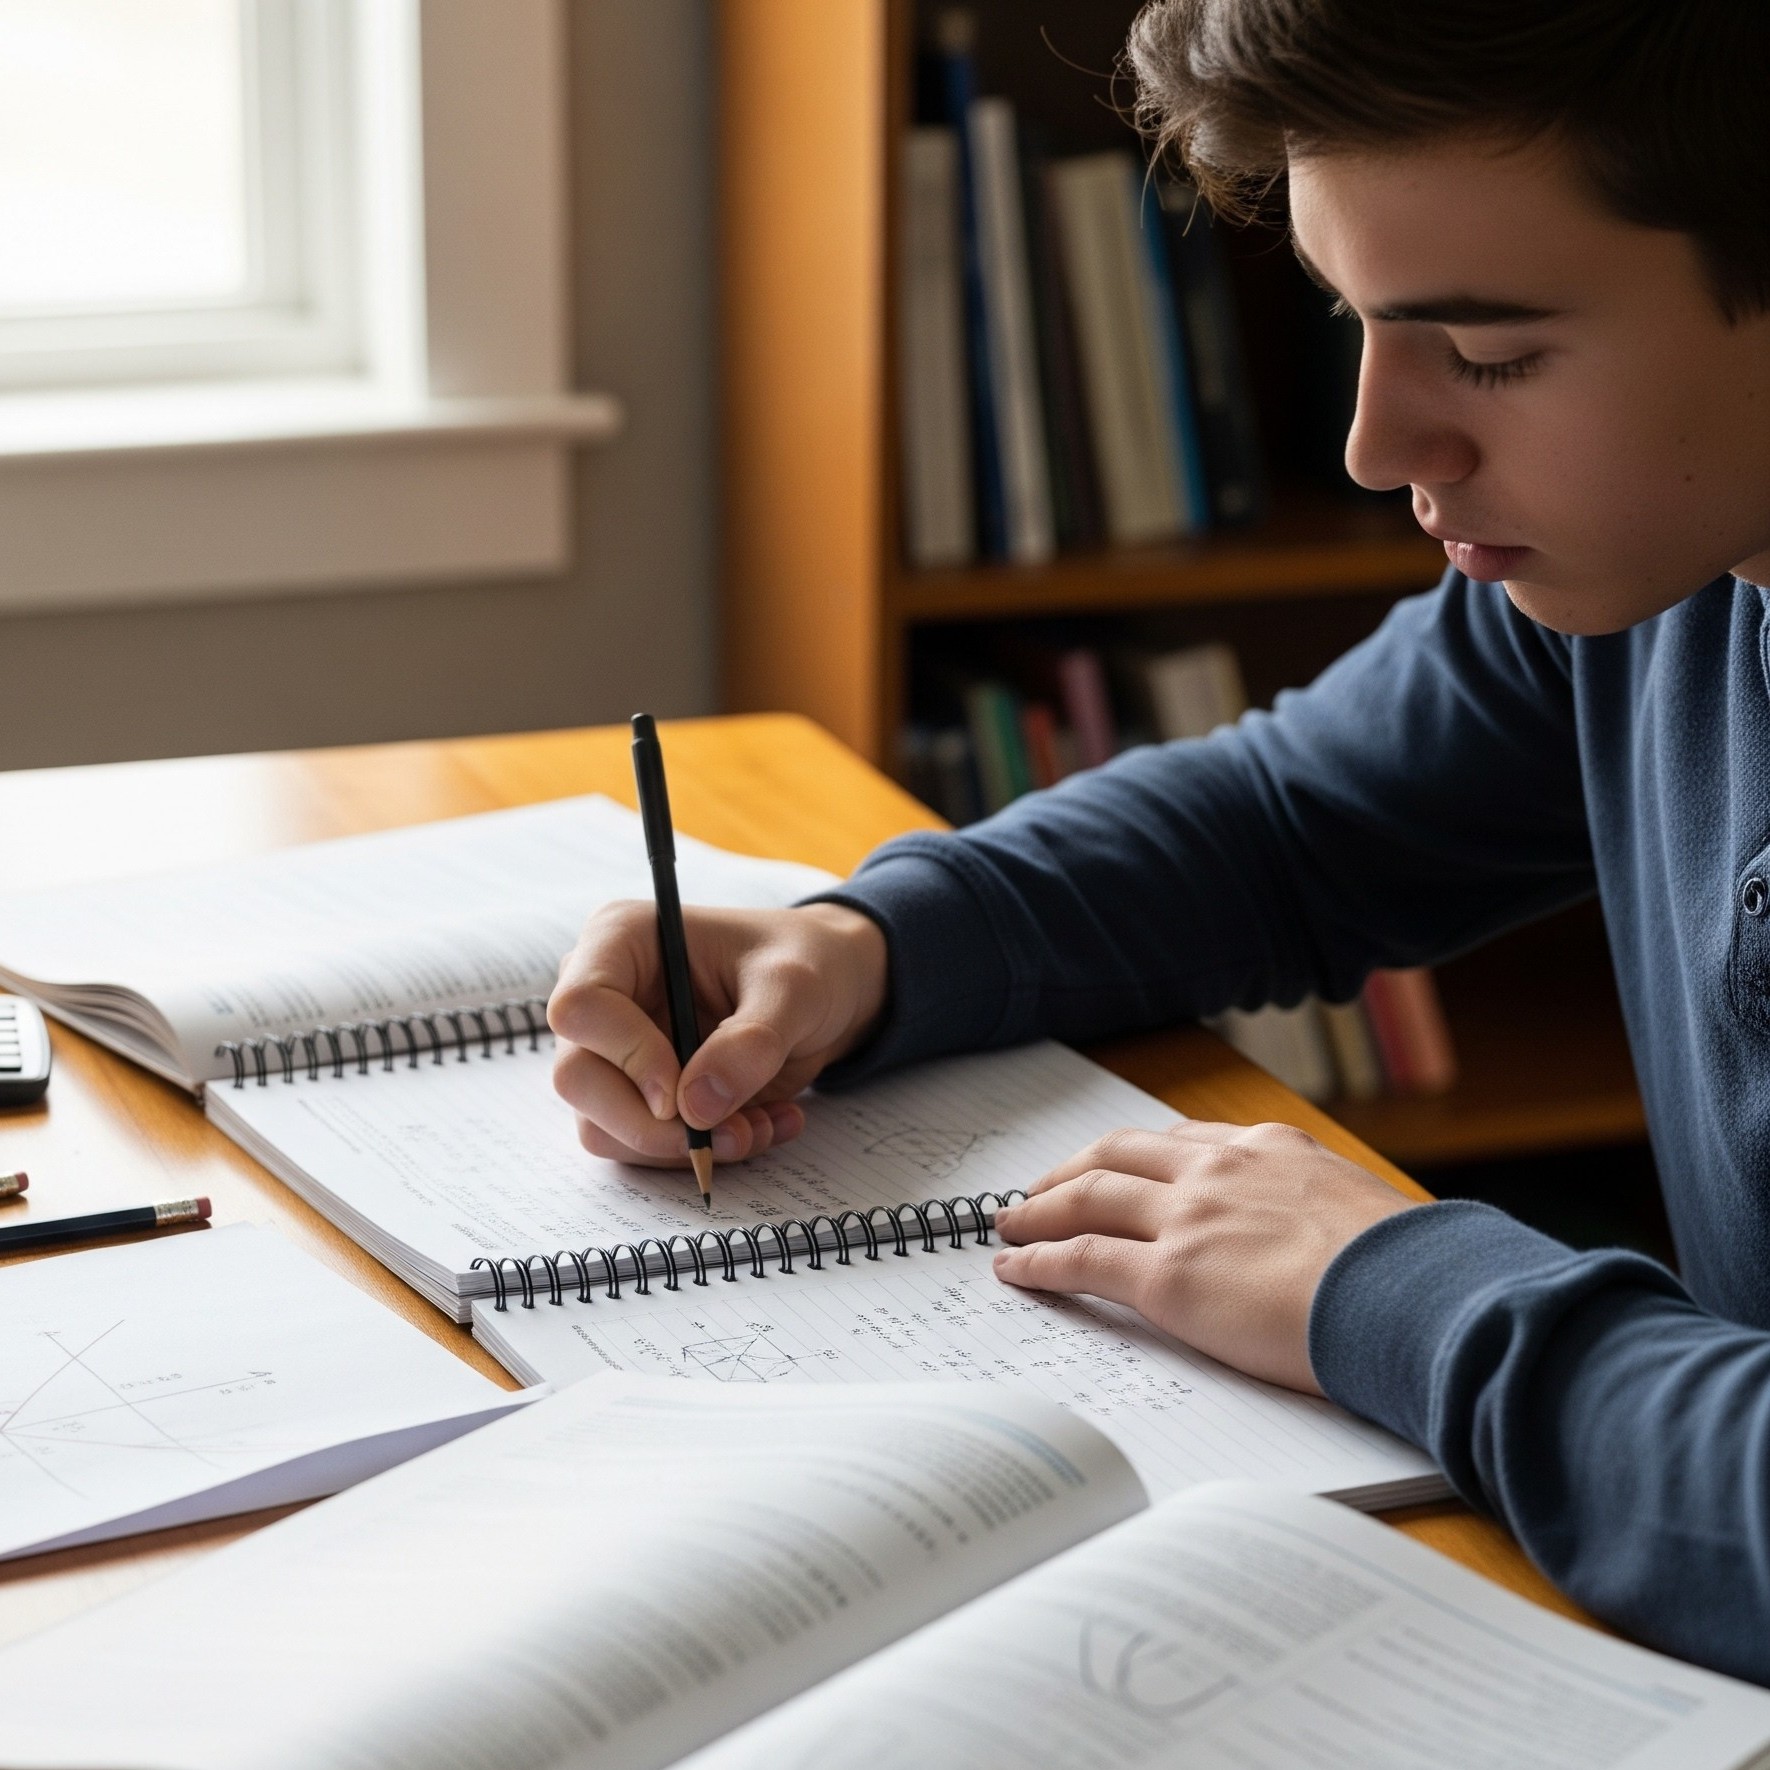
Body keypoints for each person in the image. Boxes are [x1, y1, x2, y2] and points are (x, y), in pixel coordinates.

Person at [549, 0, 1770, 1682]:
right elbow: (1289, 825)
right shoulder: (1649, 584)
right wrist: (870, 941)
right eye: (1354, 324)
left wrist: (1394, 1291)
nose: (1373, 447)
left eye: (1487, 353)